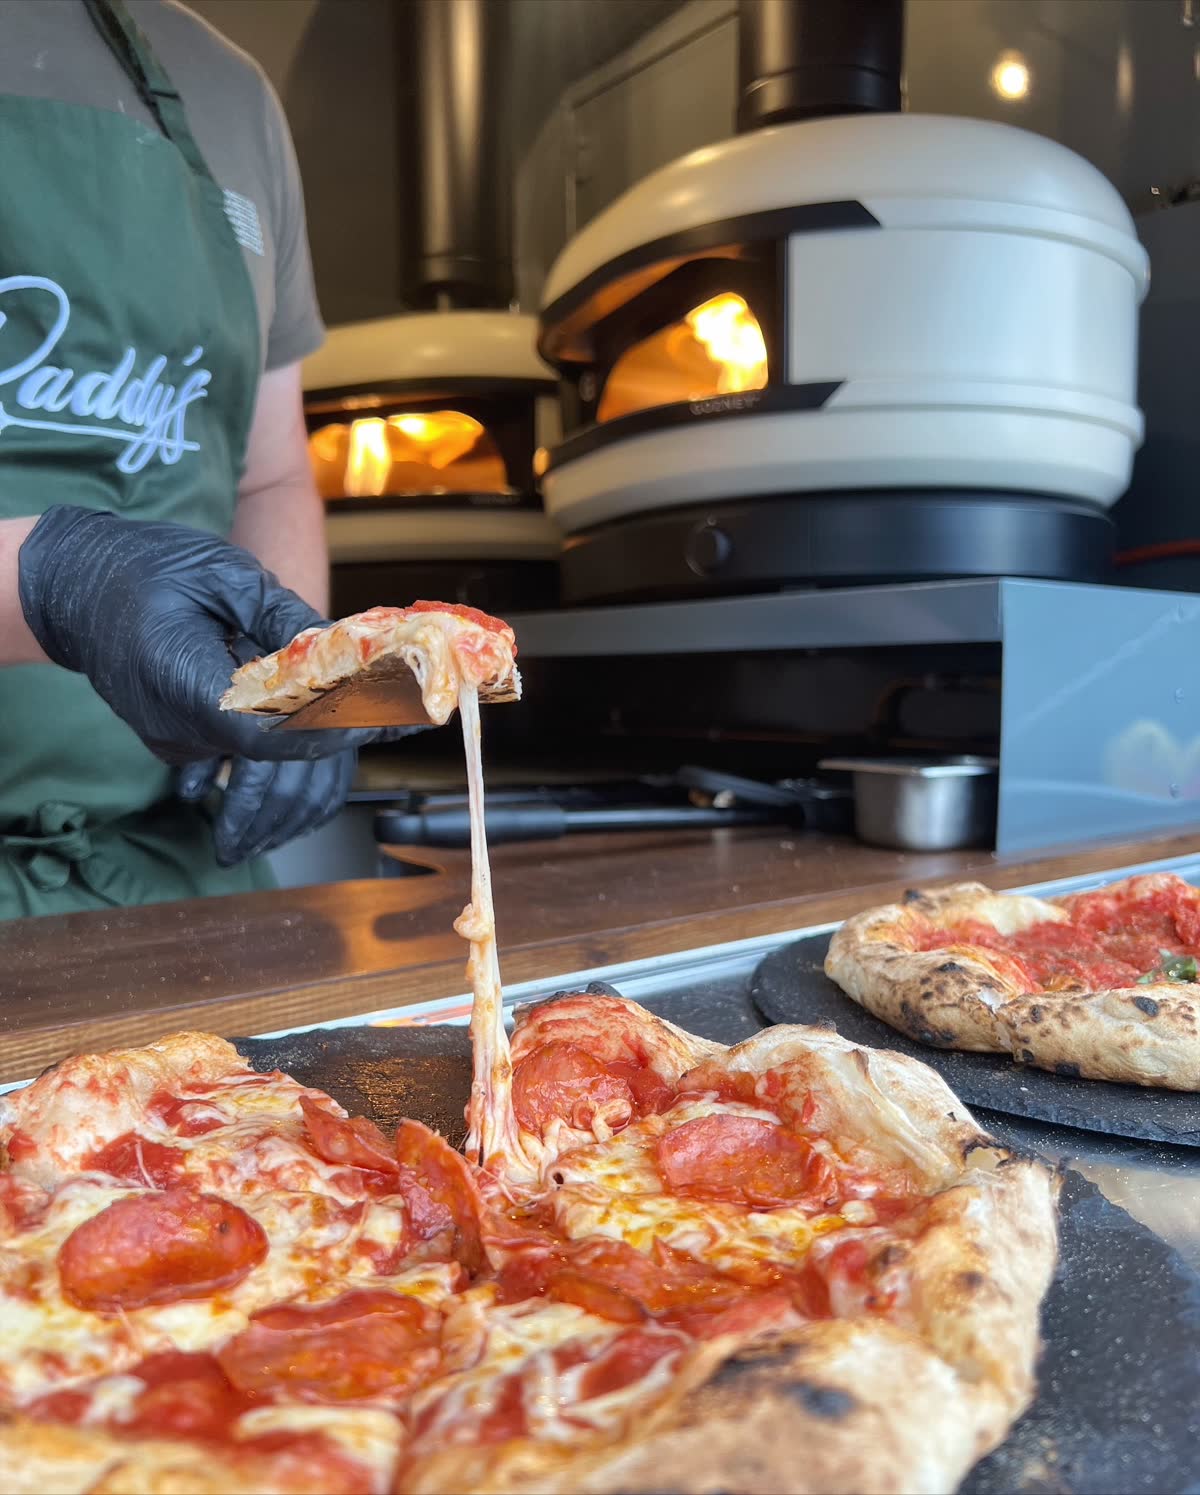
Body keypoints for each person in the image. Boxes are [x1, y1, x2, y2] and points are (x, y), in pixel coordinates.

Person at [0, 0, 381, 919]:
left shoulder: (236, 95)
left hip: (169, 879)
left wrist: (303, 680)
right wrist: (56, 583)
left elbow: (273, 473)